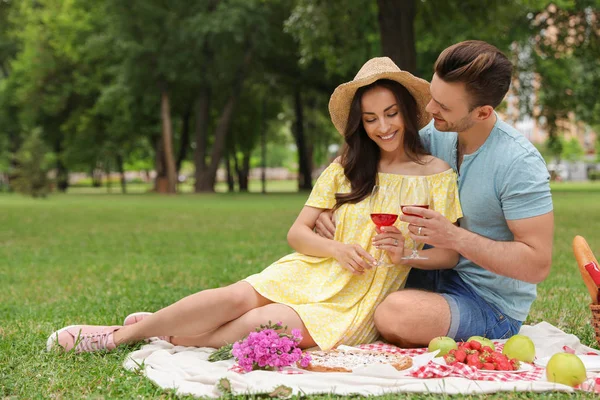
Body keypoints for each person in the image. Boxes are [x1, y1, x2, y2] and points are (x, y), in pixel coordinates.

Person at [46, 57, 462, 354]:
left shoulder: (435, 174)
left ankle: (164, 329)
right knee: (233, 299)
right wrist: (336, 248)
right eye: (371, 118)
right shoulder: (346, 167)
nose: (383, 126)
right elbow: (297, 233)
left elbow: (446, 254)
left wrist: (405, 253)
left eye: (390, 114)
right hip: (315, 270)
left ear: (406, 112)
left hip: (361, 297)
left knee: (261, 325)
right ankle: (115, 337)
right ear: (360, 123)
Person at [315, 40, 554, 347]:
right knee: (331, 289)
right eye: (433, 97)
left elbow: (537, 264)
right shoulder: (431, 137)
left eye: (443, 106)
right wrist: (327, 205)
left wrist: (455, 238)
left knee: (393, 315)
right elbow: (359, 160)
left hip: (485, 300)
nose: (429, 109)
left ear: (482, 113)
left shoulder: (519, 163)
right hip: (418, 273)